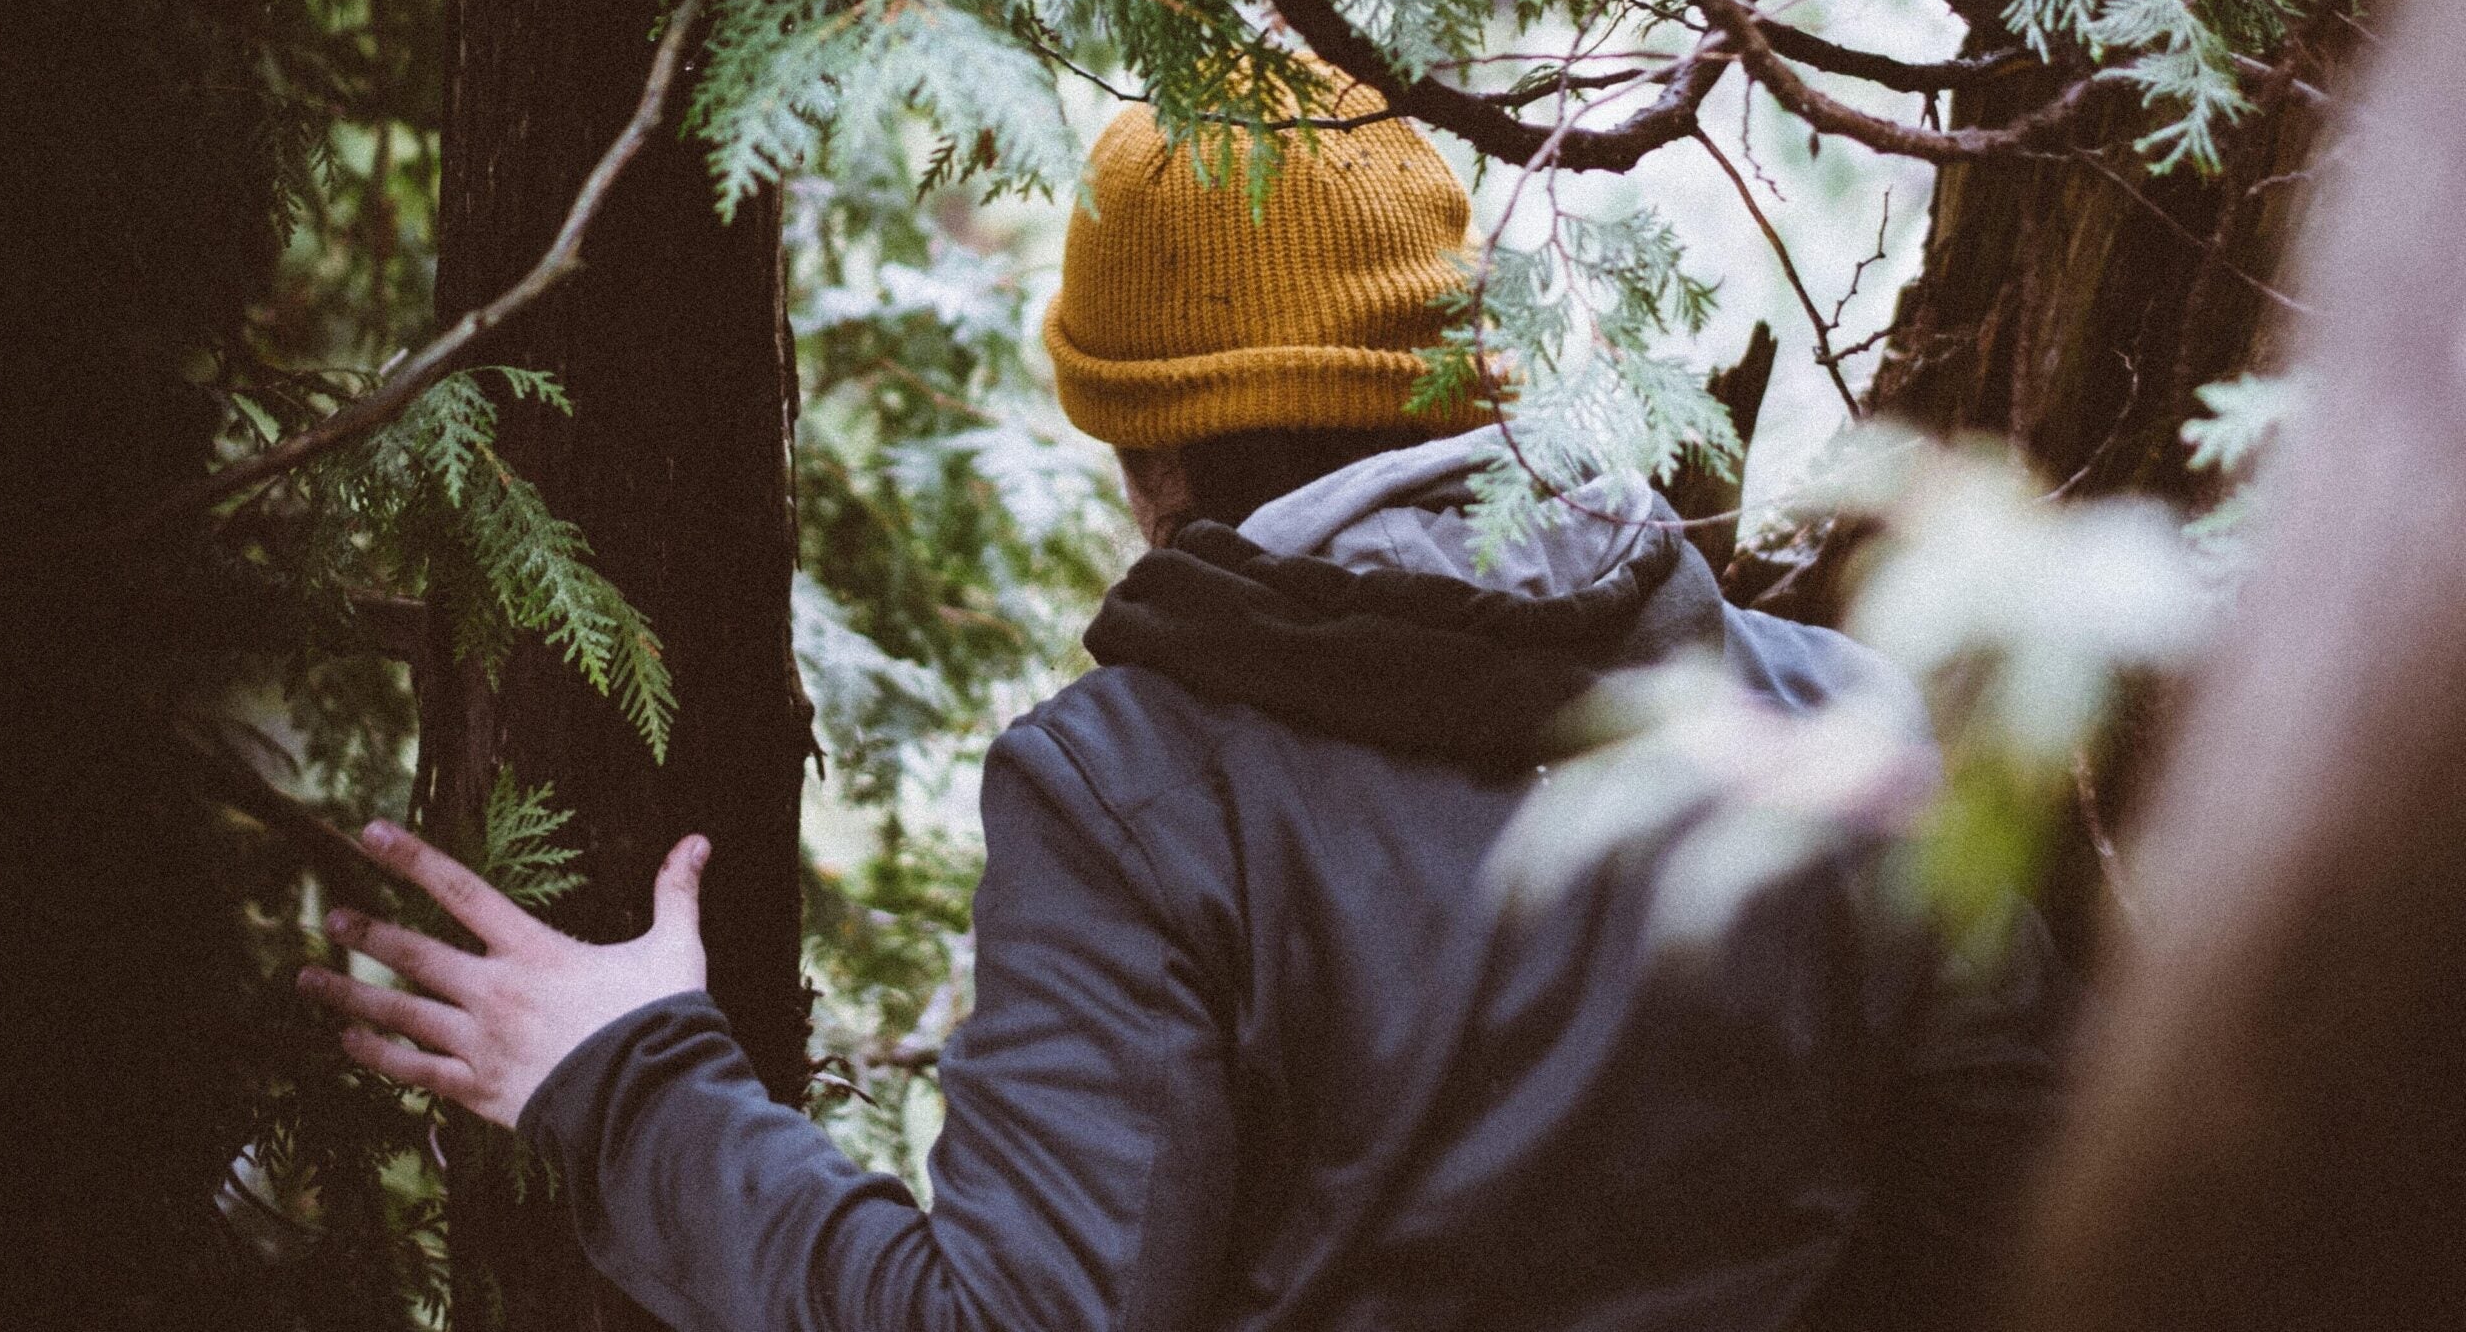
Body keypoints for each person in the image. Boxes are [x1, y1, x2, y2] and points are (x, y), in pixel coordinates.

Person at [299, 64, 2065, 1330]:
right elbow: (2036, 1211)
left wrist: (625, 1082)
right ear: (1468, 380)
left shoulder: (1130, 799)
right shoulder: (1848, 721)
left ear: (1148, 452)